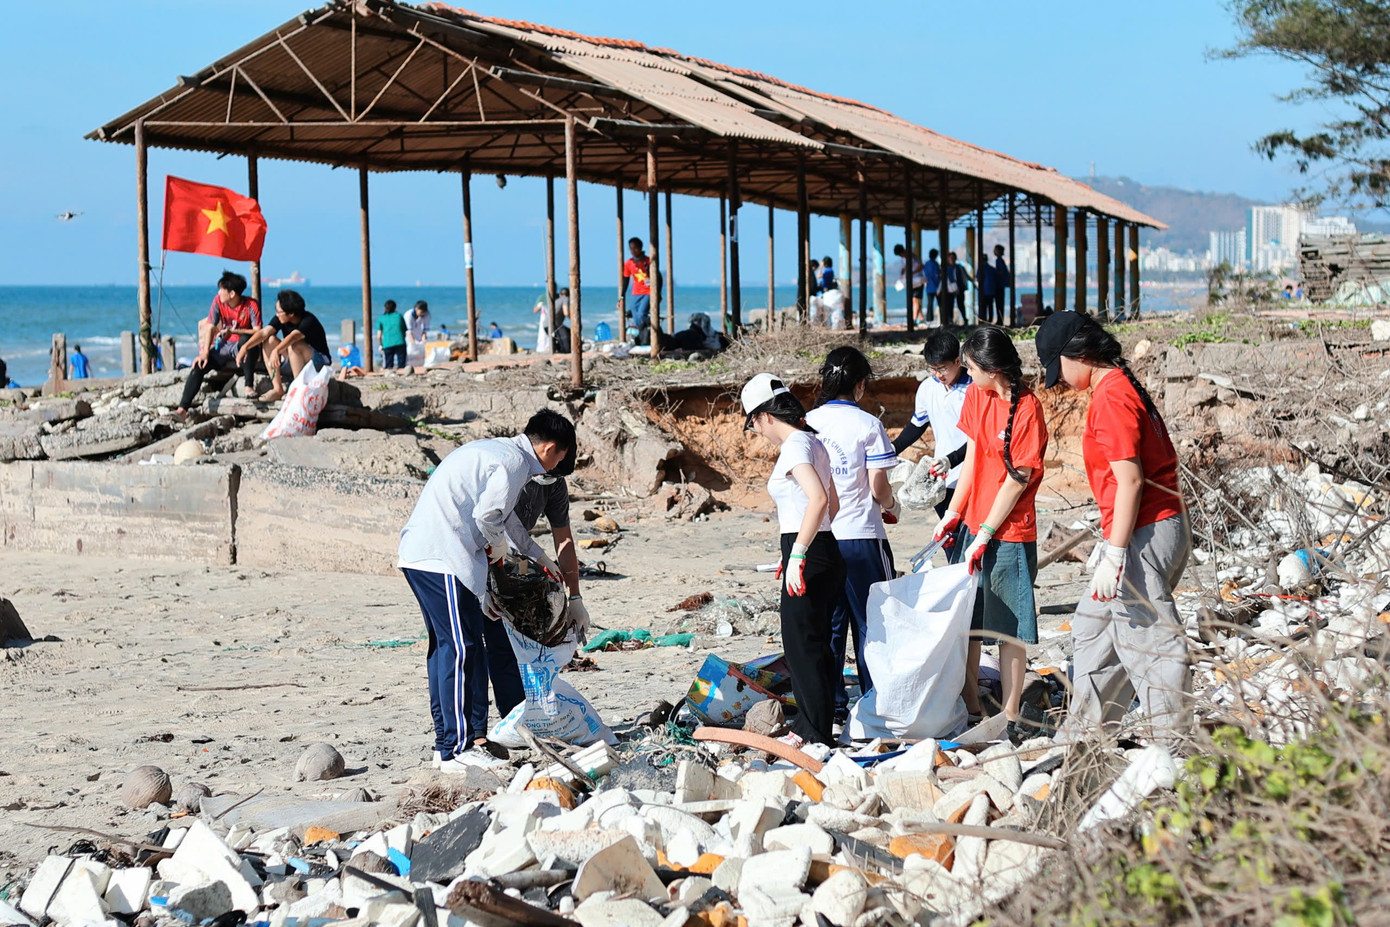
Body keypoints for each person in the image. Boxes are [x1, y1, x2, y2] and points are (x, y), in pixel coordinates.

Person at [1035, 312, 1190, 746]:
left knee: (1148, 639)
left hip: (1145, 532)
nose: (1061, 382)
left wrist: (1117, 552)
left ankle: (1173, 747)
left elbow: (1131, 482)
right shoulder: (1118, 386)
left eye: (1059, 369)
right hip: (1144, 527)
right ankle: (1085, 737)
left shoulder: (1111, 397)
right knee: (1092, 627)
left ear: (1078, 354)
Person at [397, 410, 578, 772]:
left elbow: (508, 520)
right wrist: (498, 548)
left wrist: (539, 556)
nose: (555, 469)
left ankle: (445, 746)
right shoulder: (514, 463)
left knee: (446, 649)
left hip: (426, 556)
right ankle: (459, 747)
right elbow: (488, 518)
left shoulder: (502, 453)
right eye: (559, 460)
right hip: (442, 557)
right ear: (550, 449)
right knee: (461, 650)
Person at [933, 326, 1047, 744]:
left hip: (1011, 531)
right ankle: (971, 706)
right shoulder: (976, 396)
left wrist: (985, 533)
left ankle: (1011, 714)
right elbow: (974, 459)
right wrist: (954, 513)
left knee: (1008, 627)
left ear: (992, 369)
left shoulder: (1028, 409)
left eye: (970, 367)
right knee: (970, 621)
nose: (966, 373)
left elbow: (1017, 480)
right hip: (973, 523)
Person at [742, 374, 846, 746]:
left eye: (753, 423)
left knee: (802, 647)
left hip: (811, 552)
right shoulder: (813, 441)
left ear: (766, 416)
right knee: (815, 644)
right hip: (822, 548)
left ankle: (815, 734)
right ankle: (813, 725)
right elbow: (832, 506)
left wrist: (799, 551)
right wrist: (792, 552)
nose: (756, 431)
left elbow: (819, 499)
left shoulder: (795, 445)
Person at [805, 348, 898, 722]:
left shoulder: (809, 421)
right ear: (860, 385)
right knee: (872, 624)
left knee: (829, 626)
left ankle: (831, 706)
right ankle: (876, 703)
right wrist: (892, 504)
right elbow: (879, 487)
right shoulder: (868, 425)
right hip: (862, 536)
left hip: (821, 536)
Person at [893, 330, 972, 560]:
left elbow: (978, 439)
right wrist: (892, 450)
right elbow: (917, 425)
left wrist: (952, 459)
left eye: (942, 368)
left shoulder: (975, 388)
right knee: (950, 539)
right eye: (932, 368)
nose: (938, 374)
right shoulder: (928, 388)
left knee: (969, 539)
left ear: (957, 361)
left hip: (971, 475)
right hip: (941, 478)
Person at [175, 270, 263, 417]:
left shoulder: (251, 305)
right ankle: (182, 409)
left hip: (243, 347)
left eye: (222, 289)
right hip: (223, 346)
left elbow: (258, 332)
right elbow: (210, 326)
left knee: (246, 341)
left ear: (232, 293)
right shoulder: (218, 301)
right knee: (199, 366)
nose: (219, 292)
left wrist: (235, 331)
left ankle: (248, 386)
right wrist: (204, 353)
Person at [236, 289, 331, 402]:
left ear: (291, 314)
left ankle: (297, 388)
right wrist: (245, 347)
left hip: (319, 362)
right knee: (269, 340)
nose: (277, 314)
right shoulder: (280, 319)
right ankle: (277, 389)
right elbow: (264, 332)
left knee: (294, 345)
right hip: (295, 360)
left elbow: (294, 337)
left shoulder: (308, 320)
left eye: (279, 312)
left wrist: (276, 350)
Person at [619, 238, 653, 338]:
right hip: (636, 293)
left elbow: (658, 278)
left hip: (648, 292)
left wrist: (658, 294)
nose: (633, 251)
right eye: (631, 249)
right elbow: (625, 280)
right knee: (635, 314)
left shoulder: (648, 261)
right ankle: (643, 333)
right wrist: (621, 297)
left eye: (635, 248)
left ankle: (649, 328)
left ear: (640, 248)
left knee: (642, 314)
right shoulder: (628, 263)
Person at [893, 245, 926, 322]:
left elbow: (921, 266)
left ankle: (913, 319)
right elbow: (905, 267)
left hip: (918, 280)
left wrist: (912, 273)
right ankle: (921, 318)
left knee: (915, 300)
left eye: (900, 254)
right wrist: (903, 273)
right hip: (911, 282)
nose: (901, 256)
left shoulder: (912, 257)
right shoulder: (903, 259)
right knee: (914, 300)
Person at [939, 252, 969, 325]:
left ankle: (965, 319)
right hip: (949, 289)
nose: (952, 260)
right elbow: (943, 279)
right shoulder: (946, 269)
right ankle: (950, 320)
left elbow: (965, 276)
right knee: (950, 305)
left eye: (953, 258)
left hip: (960, 288)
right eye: (950, 258)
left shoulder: (959, 268)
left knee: (960, 304)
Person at [377, 300, 408, 369]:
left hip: (387, 343)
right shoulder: (399, 316)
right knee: (402, 365)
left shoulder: (381, 318)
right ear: (395, 307)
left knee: (389, 366)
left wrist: (381, 345)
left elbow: (379, 336)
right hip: (400, 342)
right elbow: (404, 331)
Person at [991, 245, 1012, 324]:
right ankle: (1000, 320)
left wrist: (993, 272)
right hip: (1001, 285)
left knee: (999, 304)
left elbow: (1000, 272)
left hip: (999, 285)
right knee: (1000, 303)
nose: (994, 251)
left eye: (995, 250)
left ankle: (1000, 320)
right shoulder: (1000, 261)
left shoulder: (999, 261)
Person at [923, 249, 942, 324]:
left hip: (929, 288)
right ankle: (942, 320)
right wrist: (938, 288)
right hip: (936, 287)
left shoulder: (927, 264)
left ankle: (929, 320)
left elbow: (926, 275)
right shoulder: (935, 264)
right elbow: (936, 276)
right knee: (941, 304)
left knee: (930, 304)